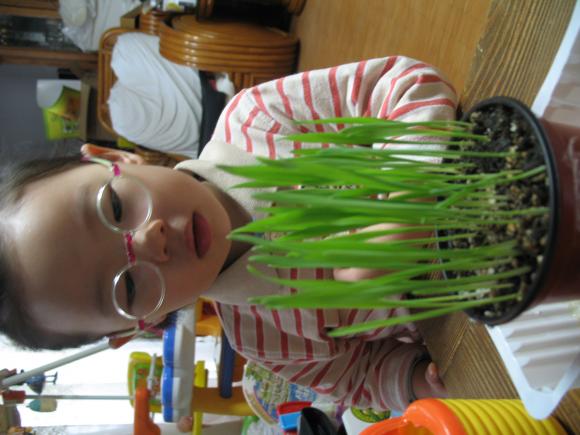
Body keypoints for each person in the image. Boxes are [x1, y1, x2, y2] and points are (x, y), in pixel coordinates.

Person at [0, 56, 455, 416]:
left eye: (116, 208)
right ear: (136, 328)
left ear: (114, 158)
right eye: (129, 288)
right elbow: (358, 377)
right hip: (470, 318)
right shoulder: (264, 339)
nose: (150, 242)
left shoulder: (258, 120)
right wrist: (416, 380)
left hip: (478, 171)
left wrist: (407, 204)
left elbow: (407, 84)